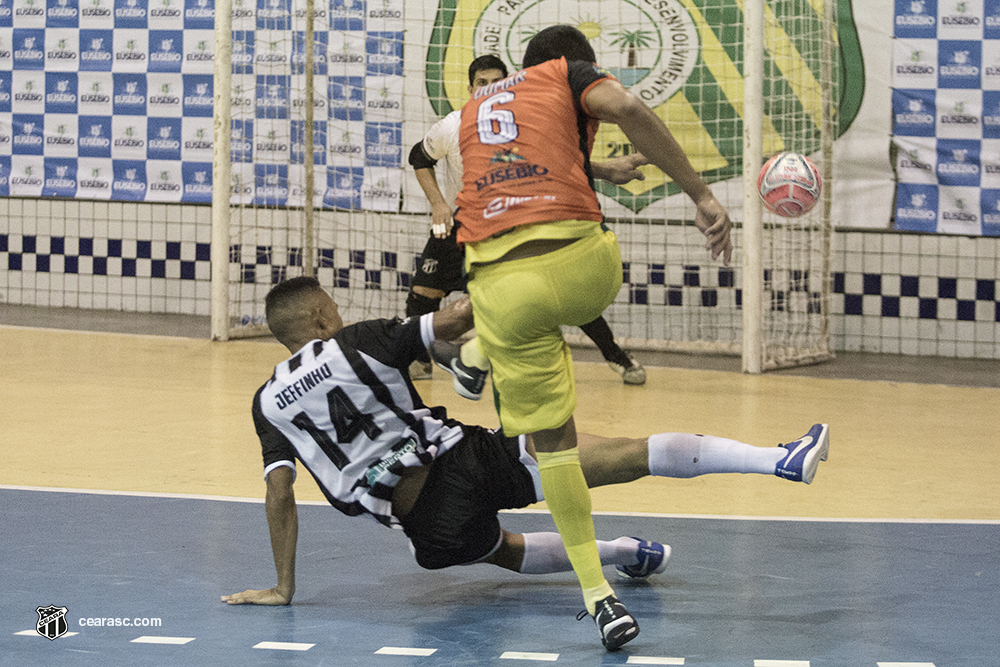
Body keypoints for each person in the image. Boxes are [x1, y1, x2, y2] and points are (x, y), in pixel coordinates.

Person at [221, 277, 831, 644]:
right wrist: (502, 289)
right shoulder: (357, 341)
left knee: (503, 552)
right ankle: (778, 458)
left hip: (428, 527)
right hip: (468, 460)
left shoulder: (266, 403)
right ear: (322, 316)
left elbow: (280, 494)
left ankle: (625, 553)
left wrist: (284, 586)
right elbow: (456, 319)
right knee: (621, 455)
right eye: (333, 306)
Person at [430, 25, 736, 650]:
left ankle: (600, 597)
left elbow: (459, 156)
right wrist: (701, 195)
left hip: (499, 285)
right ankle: (477, 349)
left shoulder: (469, 109)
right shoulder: (565, 75)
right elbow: (623, 106)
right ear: (576, 63)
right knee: (572, 291)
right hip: (584, 272)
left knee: (555, 450)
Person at [406, 54, 648, 385]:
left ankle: (615, 356)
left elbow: (558, 162)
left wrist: (607, 170)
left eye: (496, 82)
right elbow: (418, 159)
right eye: (481, 83)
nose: (489, 89)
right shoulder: (452, 125)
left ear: (509, 84)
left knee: (555, 290)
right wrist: (438, 205)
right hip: (460, 222)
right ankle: (417, 362)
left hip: (509, 223)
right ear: (470, 88)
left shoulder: (521, 123)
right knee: (423, 293)